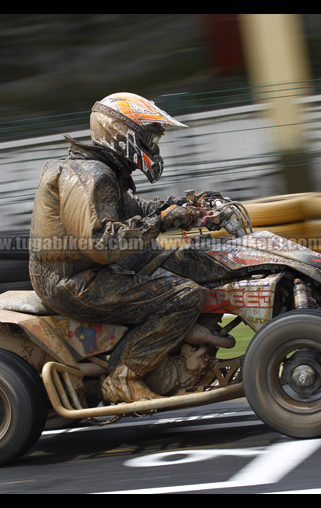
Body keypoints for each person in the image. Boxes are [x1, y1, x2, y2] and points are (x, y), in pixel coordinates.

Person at [29, 92, 220, 404]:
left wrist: (186, 208)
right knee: (184, 296)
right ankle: (124, 377)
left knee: (183, 258)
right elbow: (102, 243)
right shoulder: (90, 175)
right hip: (74, 281)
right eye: (151, 140)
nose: (154, 149)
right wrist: (162, 222)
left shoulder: (103, 171)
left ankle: (183, 343)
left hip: (91, 271)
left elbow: (140, 210)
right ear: (125, 136)